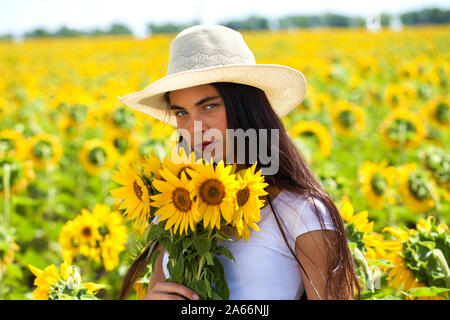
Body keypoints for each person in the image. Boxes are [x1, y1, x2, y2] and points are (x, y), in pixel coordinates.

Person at [117, 24, 360, 300]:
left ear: (245, 107)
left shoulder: (299, 213)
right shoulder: (173, 212)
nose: (194, 127)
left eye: (209, 106)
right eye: (181, 112)